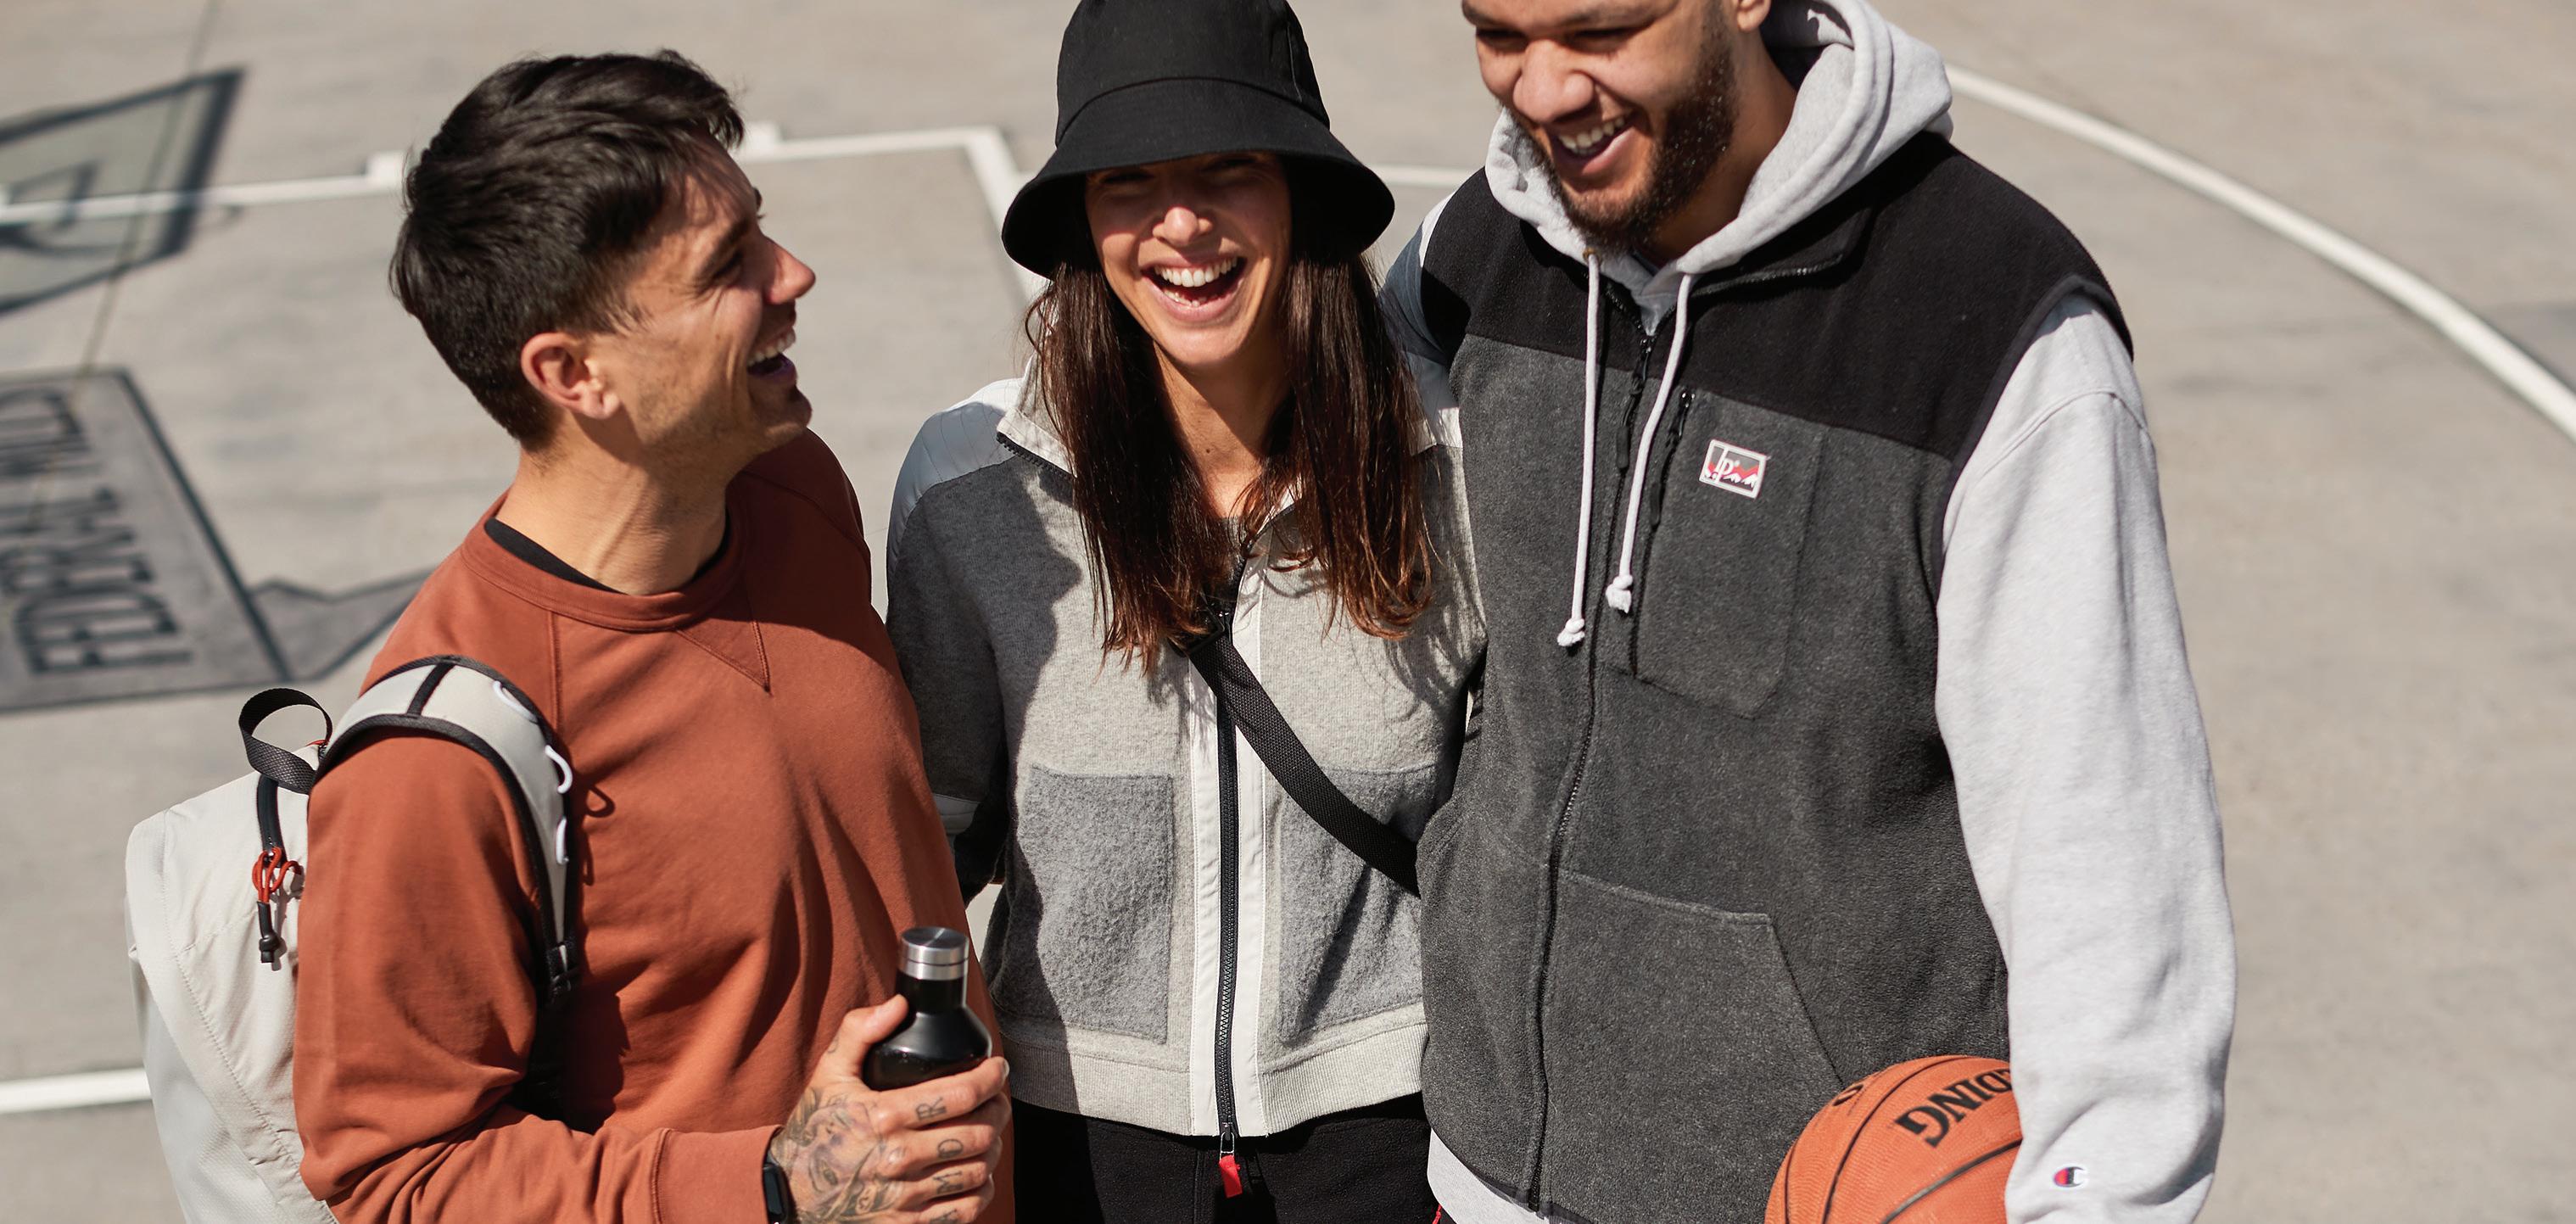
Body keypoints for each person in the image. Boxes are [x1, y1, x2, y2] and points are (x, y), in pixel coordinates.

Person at [1379, 1, 2236, 1221]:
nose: (1544, 92)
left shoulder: (1990, 323)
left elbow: (2100, 856)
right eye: (1501, 35)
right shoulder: (1473, 257)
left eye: (1599, 30)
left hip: (1820, 1192)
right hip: (1475, 1177)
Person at [292, 52, 1012, 1224]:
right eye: (729, 266)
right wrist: (772, 1184)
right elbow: (392, 1176)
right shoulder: (435, 760)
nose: (794, 274)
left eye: (761, 227)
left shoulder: (791, 489)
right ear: (572, 373)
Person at [884, 0, 1484, 1218]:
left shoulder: (1455, 471)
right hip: (1074, 1156)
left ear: (1301, 195)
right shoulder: (970, 489)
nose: (1181, 224)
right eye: (1130, 181)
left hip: (1394, 1147)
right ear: (1083, 220)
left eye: (1228, 171)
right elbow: (923, 851)